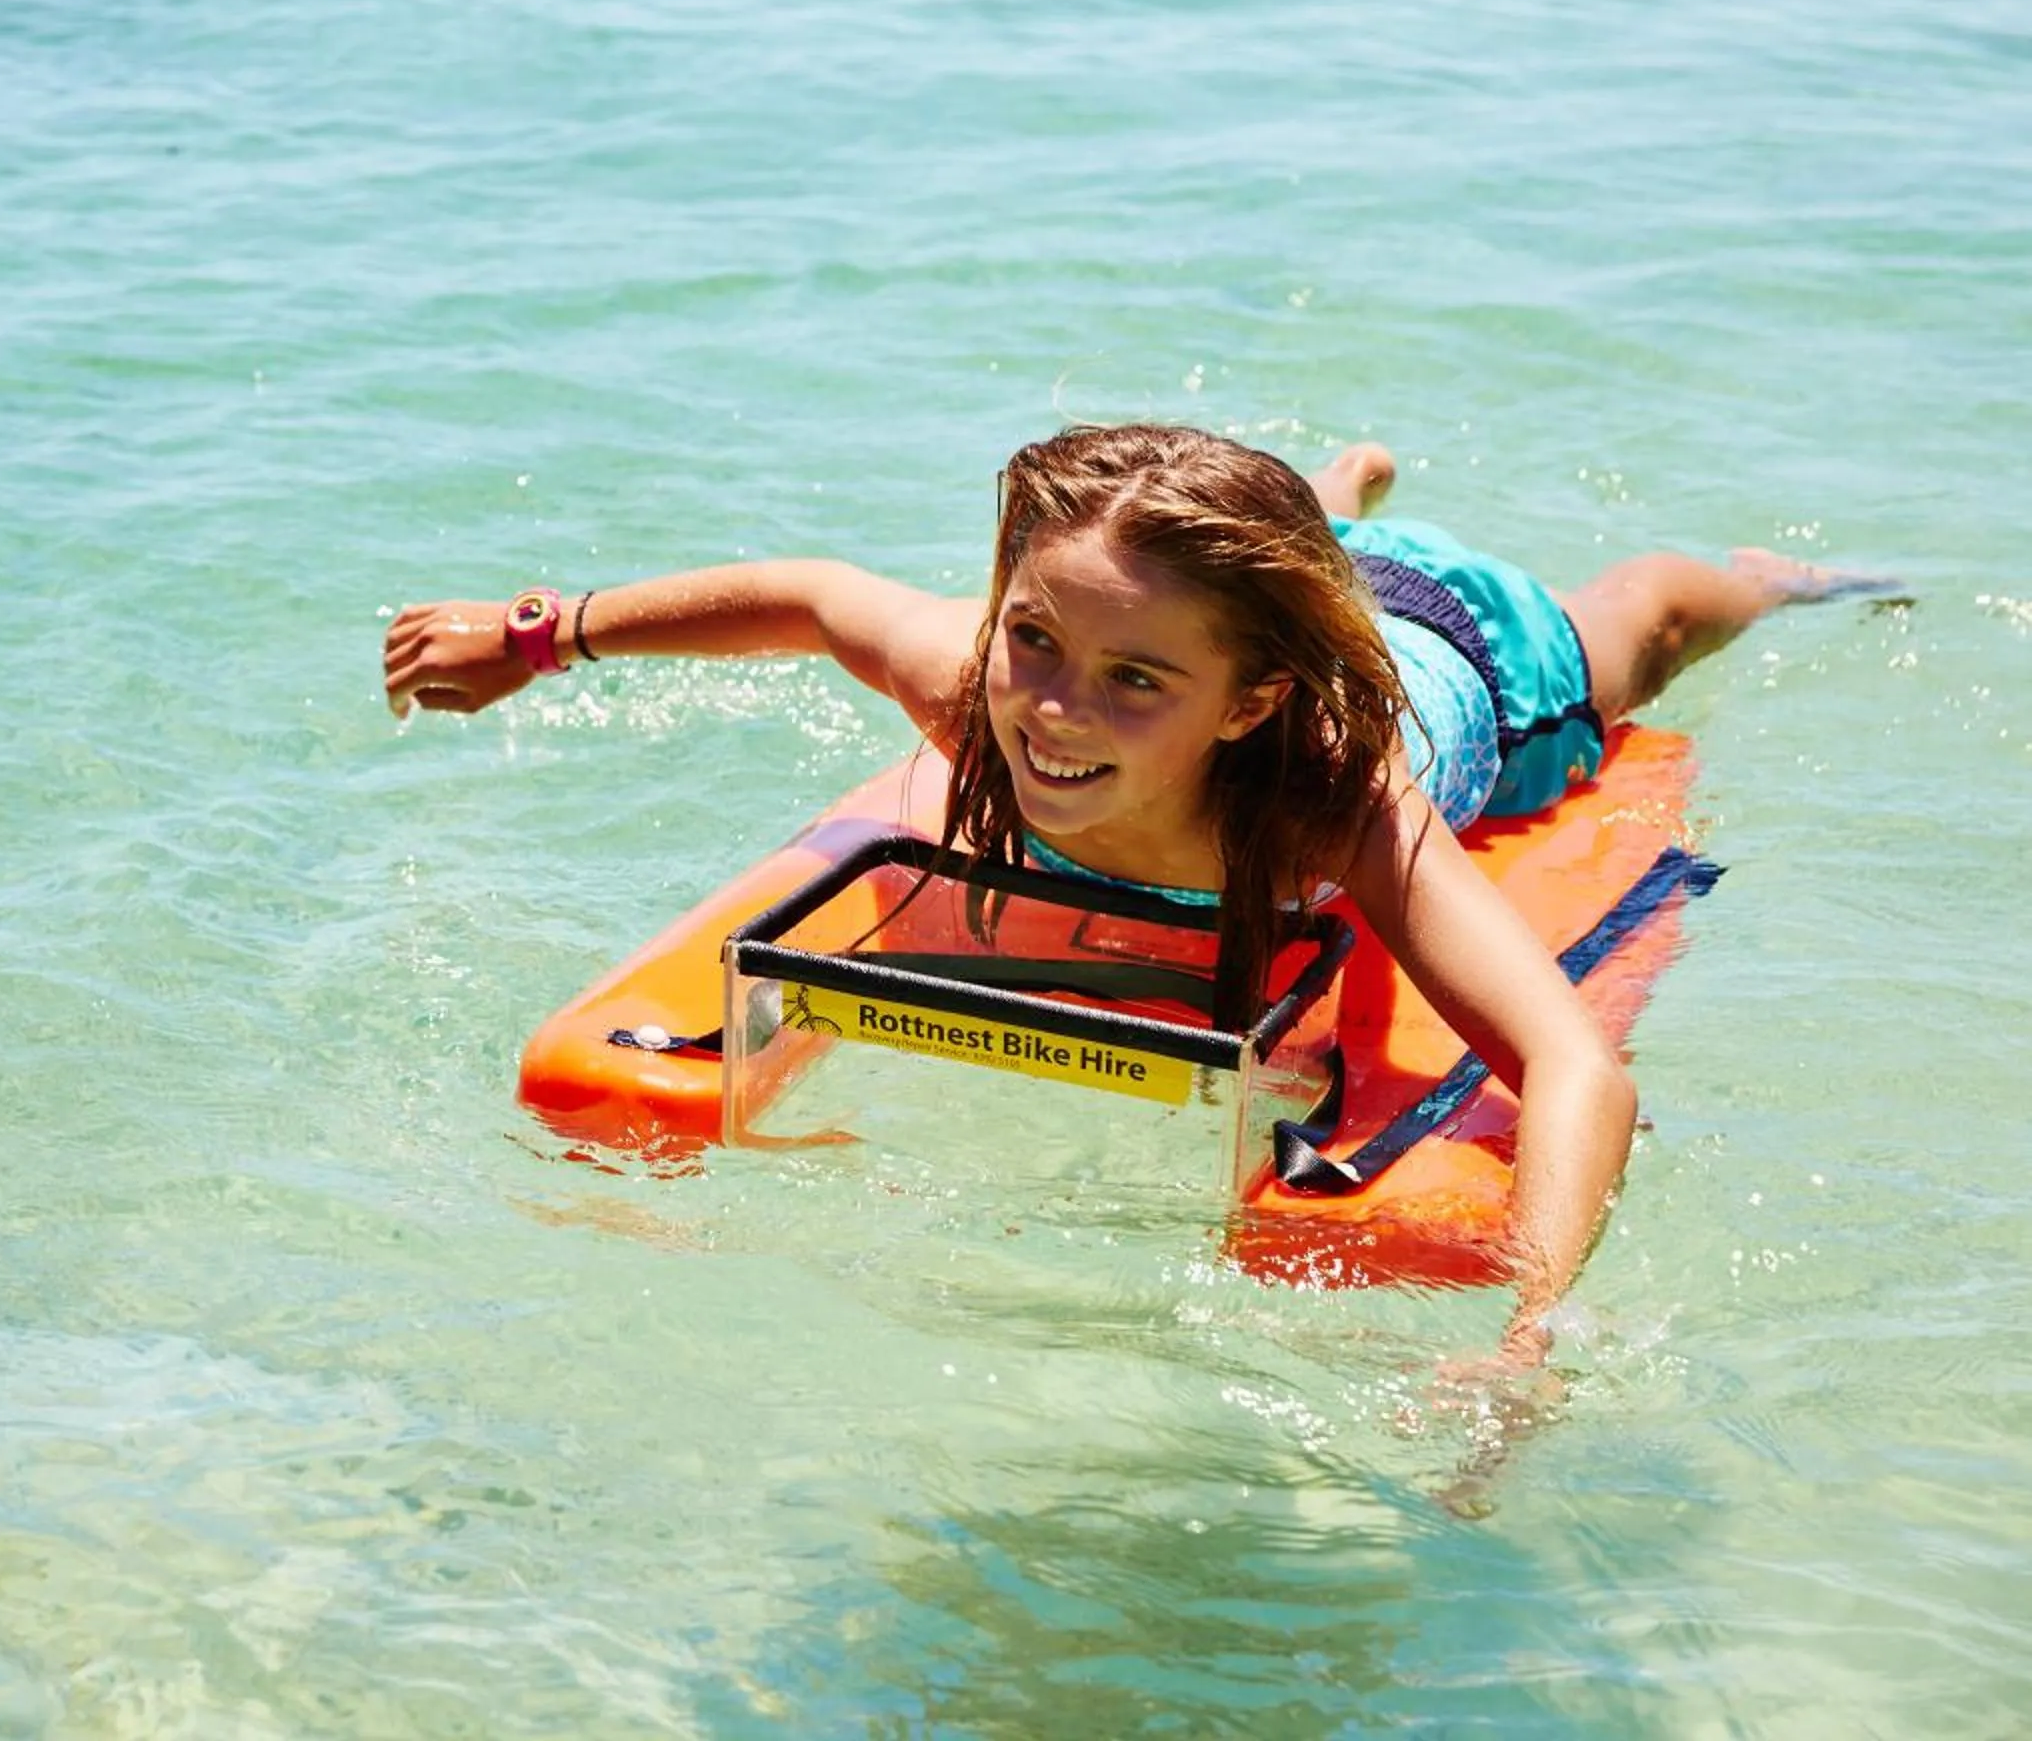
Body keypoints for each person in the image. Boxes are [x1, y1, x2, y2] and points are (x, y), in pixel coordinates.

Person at [383, 423, 1886, 1375]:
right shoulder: (990, 687)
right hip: (1275, 598)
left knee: (1645, 625)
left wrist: (1530, 1326)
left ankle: (1765, 576)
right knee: (1254, 549)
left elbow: (1573, 1068)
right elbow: (821, 596)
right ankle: (1324, 498)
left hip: (1471, 654)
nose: (1054, 715)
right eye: (1033, 639)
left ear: (1245, 708)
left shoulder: (1331, 802)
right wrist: (540, 636)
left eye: (1131, 685)